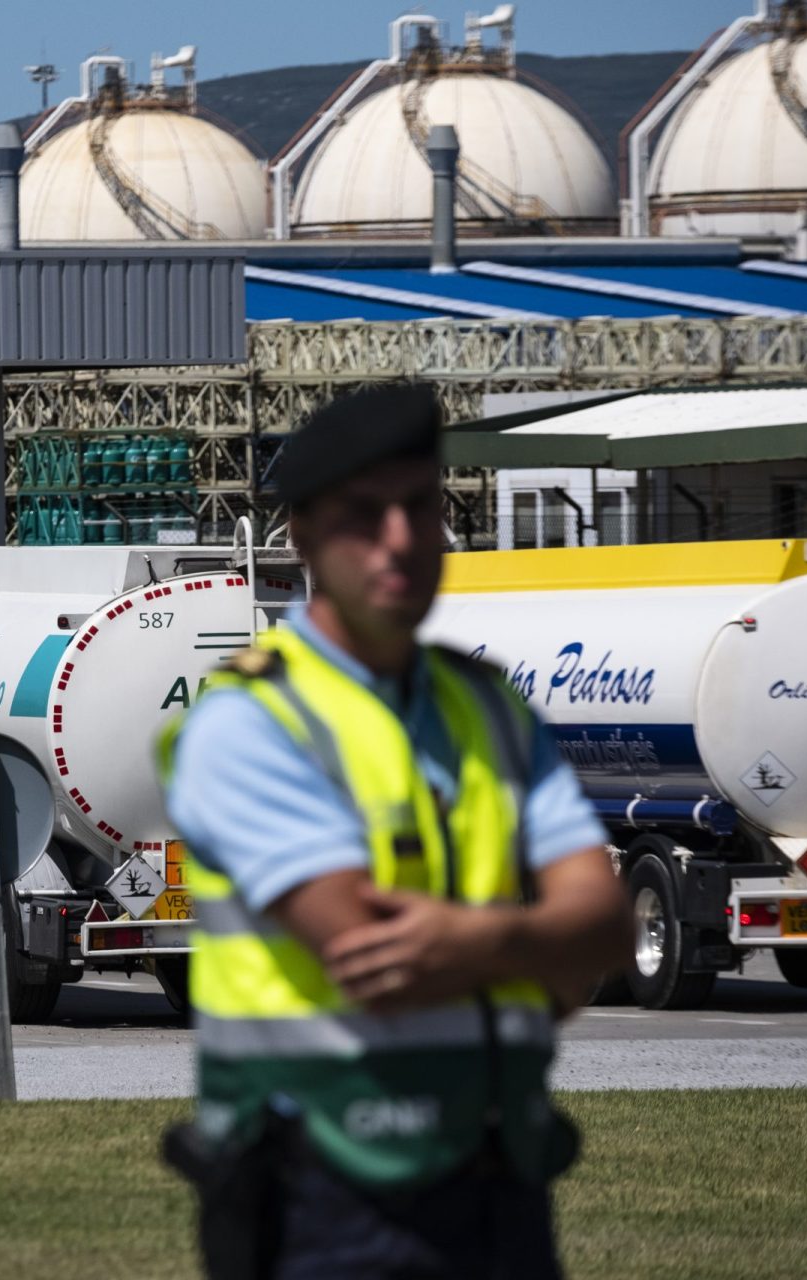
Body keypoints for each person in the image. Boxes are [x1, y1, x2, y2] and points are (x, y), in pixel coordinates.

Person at [157, 384, 629, 1279]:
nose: (403, 540)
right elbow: (373, 957)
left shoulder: (488, 705)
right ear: (300, 538)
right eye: (364, 517)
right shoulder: (252, 720)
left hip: (503, 1177)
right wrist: (541, 947)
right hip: (327, 1189)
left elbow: (604, 920)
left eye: (421, 507)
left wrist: (480, 940)